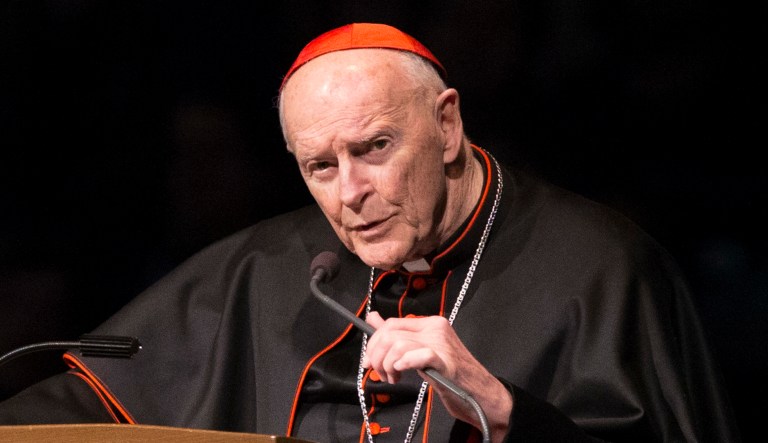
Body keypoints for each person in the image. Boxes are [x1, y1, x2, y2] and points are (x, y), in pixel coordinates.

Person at [0, 23, 739, 442]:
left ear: (446, 124)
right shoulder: (268, 263)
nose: (350, 193)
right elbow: (82, 407)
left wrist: (503, 408)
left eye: (375, 148)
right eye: (320, 166)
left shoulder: (601, 264)